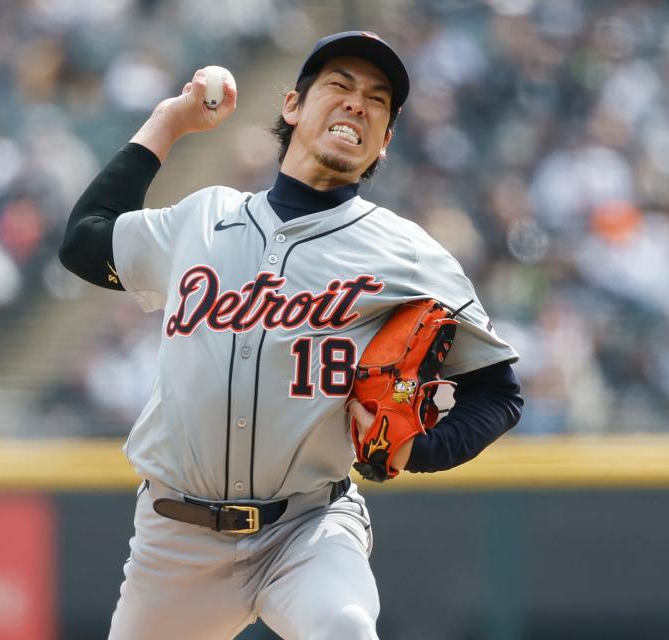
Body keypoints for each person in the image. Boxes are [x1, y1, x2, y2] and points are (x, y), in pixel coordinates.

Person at [60, 31, 523, 640]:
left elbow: (500, 394)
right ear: (292, 107)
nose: (357, 103)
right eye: (339, 85)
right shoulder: (202, 218)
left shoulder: (408, 254)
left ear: (384, 143)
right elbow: (84, 241)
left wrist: (424, 450)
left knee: (345, 629)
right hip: (176, 539)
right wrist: (168, 121)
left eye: (377, 100)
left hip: (309, 528)